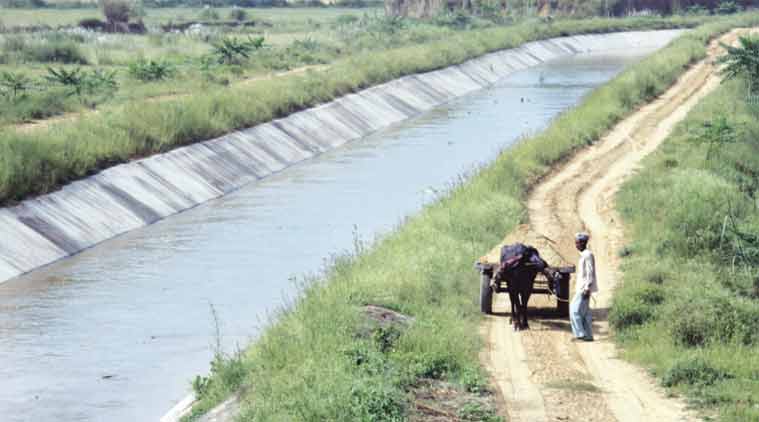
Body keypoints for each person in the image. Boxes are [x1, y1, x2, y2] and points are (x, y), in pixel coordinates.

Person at [570, 232, 598, 341]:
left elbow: (590, 273)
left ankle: (580, 334)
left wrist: (587, 288)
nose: (576, 245)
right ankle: (589, 336)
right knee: (585, 313)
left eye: (577, 243)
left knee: (574, 311)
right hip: (582, 288)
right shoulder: (584, 255)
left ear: (582, 243)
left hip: (584, 289)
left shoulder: (588, 255)